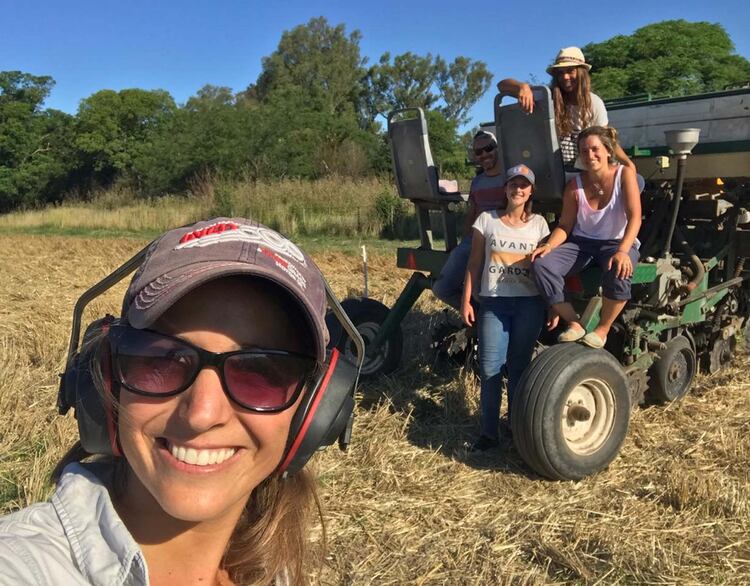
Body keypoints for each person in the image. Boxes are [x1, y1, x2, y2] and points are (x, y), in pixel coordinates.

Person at [0, 218, 360, 585]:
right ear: (106, 378)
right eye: (162, 359)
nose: (202, 415)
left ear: (313, 413)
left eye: (260, 372)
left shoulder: (269, 570)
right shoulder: (22, 567)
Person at [461, 164, 551, 451]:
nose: (518, 189)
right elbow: (474, 262)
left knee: (519, 367)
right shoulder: (487, 220)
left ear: (530, 191)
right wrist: (466, 298)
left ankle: (515, 426)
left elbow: (546, 268)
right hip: (493, 304)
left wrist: (553, 305)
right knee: (490, 368)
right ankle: (489, 433)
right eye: (513, 184)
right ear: (506, 188)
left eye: (524, 185)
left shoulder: (540, 225)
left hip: (529, 303)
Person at [531, 126, 642, 349]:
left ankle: (603, 329)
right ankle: (574, 322)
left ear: (607, 151)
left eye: (595, 149)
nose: (590, 155)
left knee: (620, 270)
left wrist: (623, 251)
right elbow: (565, 225)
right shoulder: (574, 185)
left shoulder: (624, 174)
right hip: (582, 244)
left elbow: (635, 217)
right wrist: (549, 245)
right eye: (584, 151)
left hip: (616, 242)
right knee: (542, 265)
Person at [498, 46, 634, 171]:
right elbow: (501, 86)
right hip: (552, 170)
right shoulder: (547, 97)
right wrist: (523, 87)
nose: (565, 77)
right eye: (560, 73)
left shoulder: (594, 102)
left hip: (583, 171)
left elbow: (606, 140)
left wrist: (628, 163)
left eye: (570, 71)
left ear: (581, 73)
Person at [432, 130, 507, 309]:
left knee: (484, 291)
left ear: (498, 148)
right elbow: (472, 213)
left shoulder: (509, 178)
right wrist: (465, 241)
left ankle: (491, 319)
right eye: (478, 152)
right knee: (441, 288)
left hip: (499, 241)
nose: (484, 155)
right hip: (474, 240)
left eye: (488, 148)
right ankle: (477, 316)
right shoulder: (478, 182)